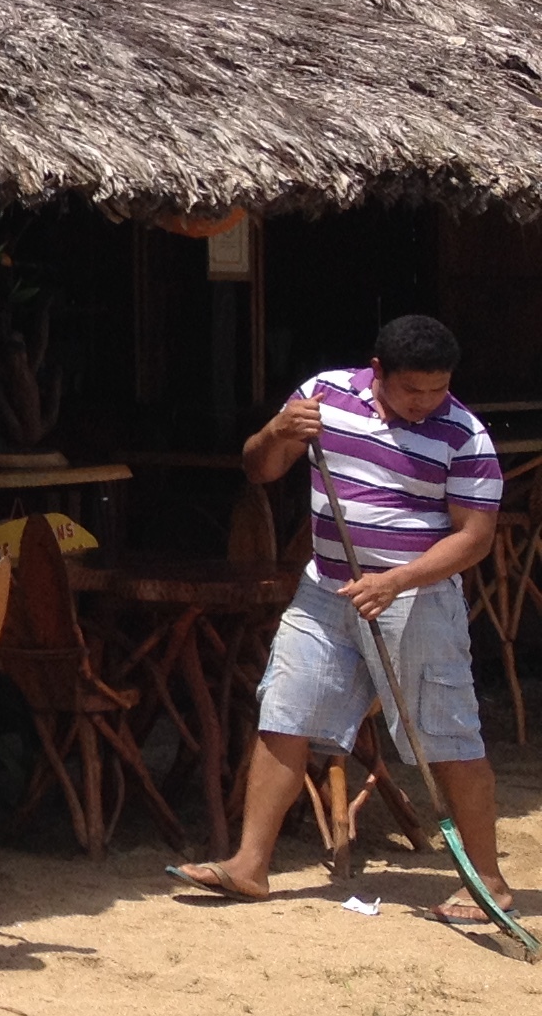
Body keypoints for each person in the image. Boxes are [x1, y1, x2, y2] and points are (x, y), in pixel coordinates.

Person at [173, 313, 509, 923]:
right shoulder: (323, 397)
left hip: (417, 597)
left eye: (439, 389)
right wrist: (277, 431)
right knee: (285, 711)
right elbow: (258, 469)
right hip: (327, 589)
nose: (427, 402)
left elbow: (476, 537)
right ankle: (250, 866)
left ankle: (487, 883)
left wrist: (398, 580)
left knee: (447, 734)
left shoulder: (464, 435)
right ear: (377, 372)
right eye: (414, 390)